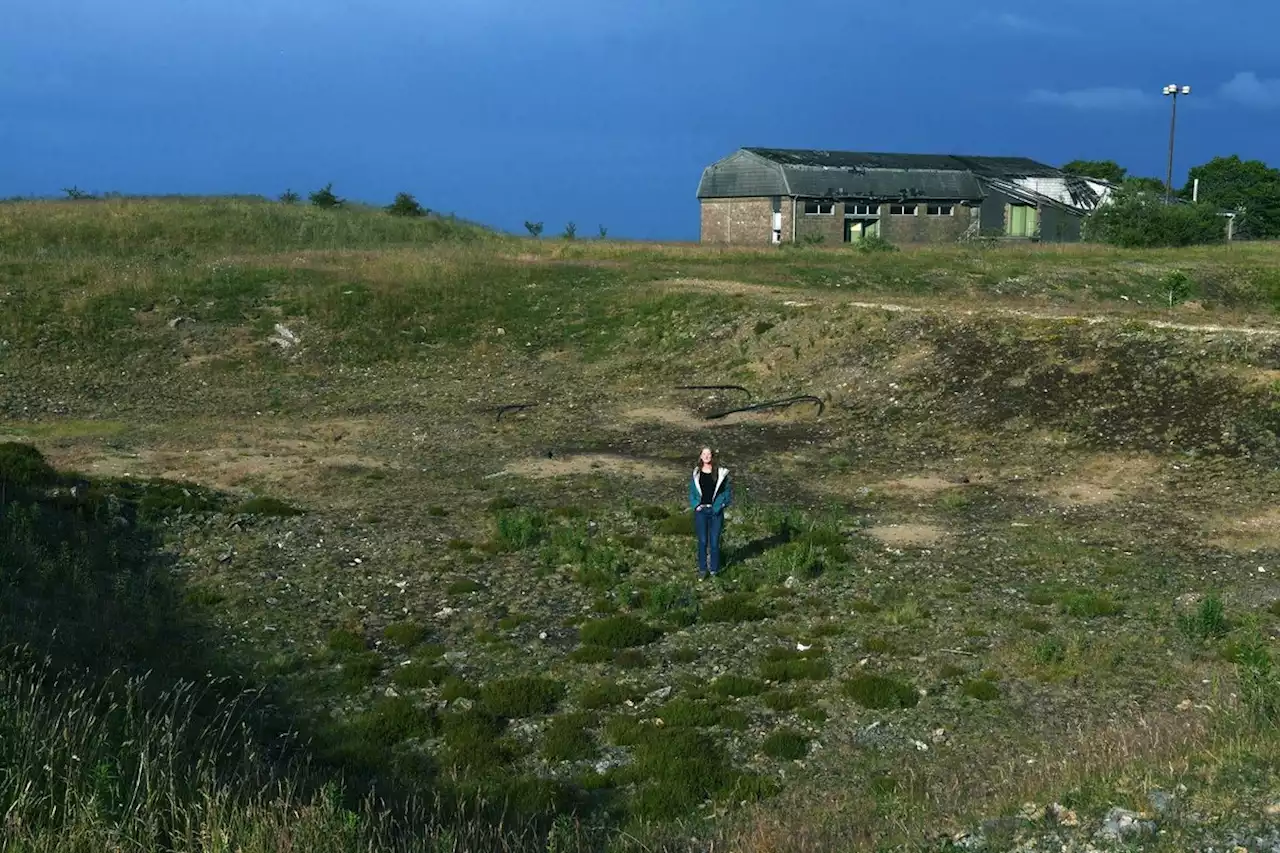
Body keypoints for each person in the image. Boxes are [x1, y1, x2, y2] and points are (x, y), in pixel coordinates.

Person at [688, 447, 732, 579]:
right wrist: (696, 506)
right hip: (701, 512)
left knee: (714, 542)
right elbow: (692, 492)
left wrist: (721, 505)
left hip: (715, 511)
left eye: (709, 454)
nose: (706, 456)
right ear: (700, 456)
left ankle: (714, 570)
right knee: (702, 541)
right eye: (704, 454)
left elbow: (727, 492)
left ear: (712, 456)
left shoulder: (720, 473)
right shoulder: (696, 473)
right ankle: (702, 569)